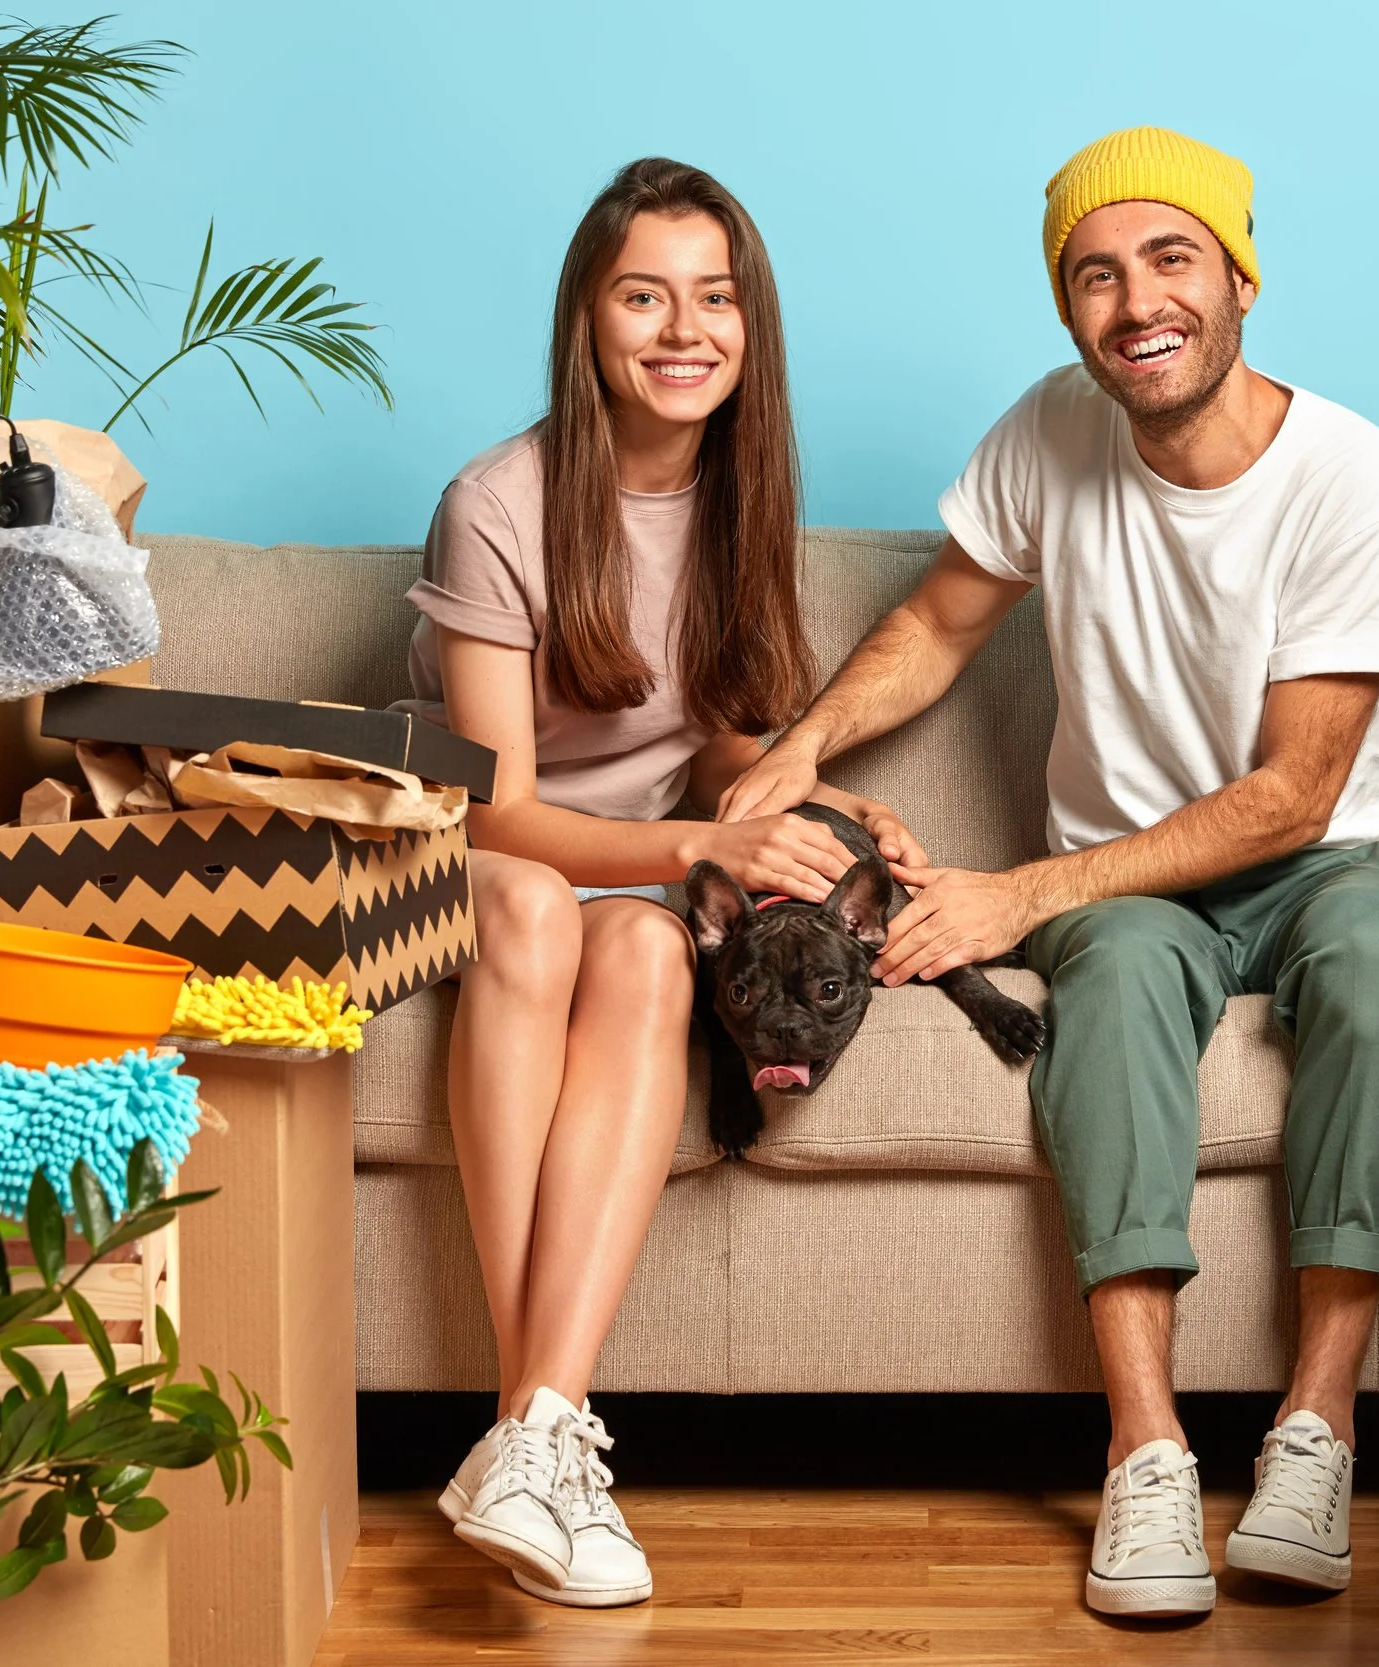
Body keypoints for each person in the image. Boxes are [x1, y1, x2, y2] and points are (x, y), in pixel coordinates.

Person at [721, 126, 1379, 1619]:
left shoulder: (1356, 481)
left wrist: (1018, 893)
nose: (1137, 303)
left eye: (1171, 259)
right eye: (1096, 275)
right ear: (1069, 311)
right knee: (1111, 986)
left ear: (1241, 274)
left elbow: (1295, 795)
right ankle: (1149, 1455)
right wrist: (800, 749)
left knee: (1377, 973)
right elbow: (937, 623)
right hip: (1134, 894)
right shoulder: (1050, 429)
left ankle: (1314, 1434)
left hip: (1333, 861)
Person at [404, 157, 922, 1609]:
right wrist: (705, 846)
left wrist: (815, 803)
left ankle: (534, 1432)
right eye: (645, 295)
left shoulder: (743, 494)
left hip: (632, 878)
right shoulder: (495, 501)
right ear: (588, 320)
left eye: (716, 297)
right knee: (523, 907)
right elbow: (499, 811)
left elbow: (713, 735)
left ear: (750, 327)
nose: (683, 328)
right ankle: (545, 1435)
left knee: (640, 961)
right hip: (499, 857)